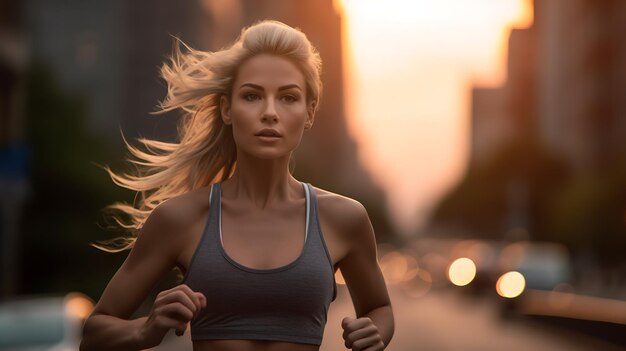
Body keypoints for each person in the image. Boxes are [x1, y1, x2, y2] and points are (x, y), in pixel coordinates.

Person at [80, 20, 394, 351]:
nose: (270, 112)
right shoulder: (180, 218)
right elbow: (94, 332)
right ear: (227, 109)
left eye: (288, 98)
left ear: (309, 112)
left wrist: (375, 332)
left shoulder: (345, 218)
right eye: (252, 96)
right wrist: (146, 329)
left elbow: (379, 308)